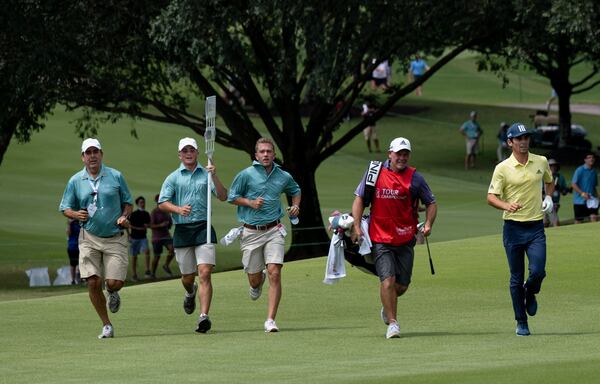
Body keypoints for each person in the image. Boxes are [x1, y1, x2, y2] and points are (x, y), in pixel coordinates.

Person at [351, 137, 437, 339]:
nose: (402, 157)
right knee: (387, 281)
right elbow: (360, 199)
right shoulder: (374, 172)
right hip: (380, 238)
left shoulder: (416, 178)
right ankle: (393, 323)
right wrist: (356, 226)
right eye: (398, 153)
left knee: (401, 286)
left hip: (406, 238)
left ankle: (387, 304)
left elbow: (431, 203)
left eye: (405, 154)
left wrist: (428, 224)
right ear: (390, 153)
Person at [59, 138, 133, 339]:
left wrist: (124, 216)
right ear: (83, 157)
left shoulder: (116, 176)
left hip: (115, 237)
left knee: (114, 282)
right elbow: (65, 208)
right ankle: (106, 325)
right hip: (88, 237)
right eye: (88, 152)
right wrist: (75, 215)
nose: (92, 156)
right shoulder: (75, 181)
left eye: (95, 152)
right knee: (92, 282)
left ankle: (112, 291)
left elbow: (128, 202)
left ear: (101, 154)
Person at [487, 123, 555, 336]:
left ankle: (531, 291)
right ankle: (521, 321)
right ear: (510, 142)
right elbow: (491, 197)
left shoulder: (541, 161)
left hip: (535, 226)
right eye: (519, 139)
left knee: (538, 271)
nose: (524, 141)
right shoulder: (502, 168)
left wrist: (549, 197)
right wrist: (506, 205)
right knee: (516, 277)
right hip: (513, 228)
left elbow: (549, 181)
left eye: (526, 137)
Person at [228, 137, 301, 333]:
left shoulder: (283, 175)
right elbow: (231, 197)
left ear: (274, 154)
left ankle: (270, 320)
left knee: (275, 273)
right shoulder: (246, 175)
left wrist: (295, 206)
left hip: (274, 230)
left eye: (269, 151)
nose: (266, 154)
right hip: (251, 232)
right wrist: (250, 203)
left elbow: (296, 190)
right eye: (262, 152)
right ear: (256, 155)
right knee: (254, 279)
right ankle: (256, 283)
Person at [158, 137, 227, 333]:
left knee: (205, 272)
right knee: (188, 278)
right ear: (180, 154)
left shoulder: (207, 174)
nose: (188, 153)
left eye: (192, 150)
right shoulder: (173, 177)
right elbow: (162, 202)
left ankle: (204, 316)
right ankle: (190, 292)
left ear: (197, 153)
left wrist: (214, 176)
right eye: (185, 150)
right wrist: (178, 209)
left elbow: (222, 196)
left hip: (203, 228)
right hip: (182, 229)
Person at [150, 193, 175, 277]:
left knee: (172, 249)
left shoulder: (166, 211)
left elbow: (170, 224)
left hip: (166, 235)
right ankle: (153, 273)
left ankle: (166, 265)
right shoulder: (154, 212)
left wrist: (168, 224)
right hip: (157, 237)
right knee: (157, 256)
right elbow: (151, 225)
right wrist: (161, 225)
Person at [128, 196, 151, 280]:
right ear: (137, 204)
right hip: (134, 237)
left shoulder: (146, 214)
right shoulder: (134, 214)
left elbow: (149, 224)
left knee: (147, 251)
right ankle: (134, 274)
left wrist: (147, 226)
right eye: (141, 202)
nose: (143, 204)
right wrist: (130, 234)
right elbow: (129, 225)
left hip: (143, 237)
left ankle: (147, 270)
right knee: (134, 256)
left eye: (143, 202)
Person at [571, 152, 598, 224]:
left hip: (591, 200)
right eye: (589, 157)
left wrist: (598, 197)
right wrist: (582, 193)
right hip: (579, 201)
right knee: (578, 221)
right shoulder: (580, 170)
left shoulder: (594, 172)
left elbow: (594, 187)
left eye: (592, 157)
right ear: (585, 160)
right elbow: (573, 184)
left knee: (594, 217)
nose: (591, 159)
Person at [543, 159, 570, 227]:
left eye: (554, 166)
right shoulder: (543, 176)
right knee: (552, 222)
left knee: (546, 222)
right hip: (544, 203)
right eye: (551, 166)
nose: (553, 167)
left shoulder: (560, 177)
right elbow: (539, 191)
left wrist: (563, 189)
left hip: (555, 203)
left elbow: (564, 192)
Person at [66, 218, 81, 285]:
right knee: (73, 264)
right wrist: (69, 224)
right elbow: (68, 233)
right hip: (72, 247)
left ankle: (80, 278)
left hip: (81, 246)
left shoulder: (80, 223)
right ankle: (73, 280)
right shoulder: (72, 224)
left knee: (81, 263)